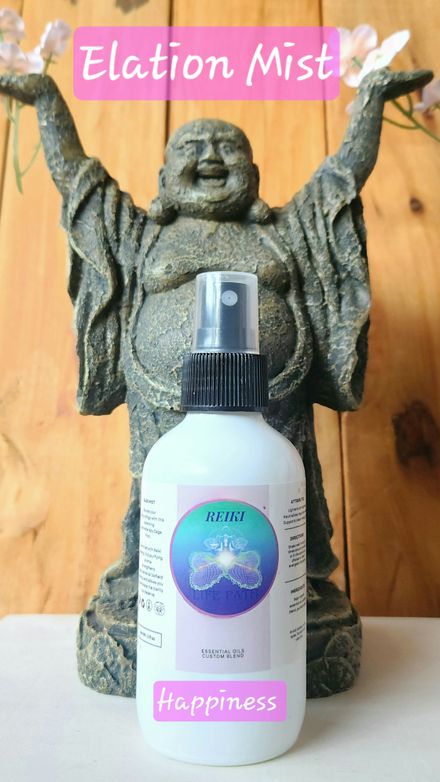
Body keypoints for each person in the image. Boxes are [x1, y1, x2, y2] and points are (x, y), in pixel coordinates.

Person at [0, 66, 431, 696]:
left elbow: (341, 177)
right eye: (192, 146)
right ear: (163, 180)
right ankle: (152, 590)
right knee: (160, 510)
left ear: (254, 175)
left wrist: (368, 101)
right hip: (163, 406)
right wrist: (46, 99)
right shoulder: (145, 234)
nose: (210, 156)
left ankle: (294, 594)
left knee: (281, 509)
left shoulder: (282, 232)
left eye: (228, 147)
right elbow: (81, 181)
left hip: (274, 404)